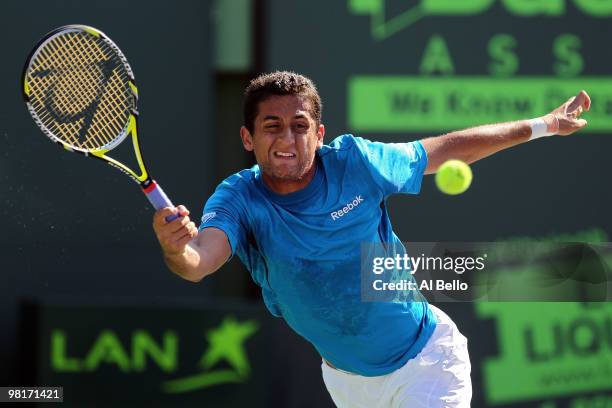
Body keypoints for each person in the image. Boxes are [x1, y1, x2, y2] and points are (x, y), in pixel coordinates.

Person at [152, 71, 590, 407]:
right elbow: (200, 259)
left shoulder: (356, 163)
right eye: (272, 126)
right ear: (248, 137)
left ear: (318, 134)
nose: (287, 139)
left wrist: (545, 125)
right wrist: (177, 246)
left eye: (300, 125)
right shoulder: (238, 198)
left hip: (428, 363)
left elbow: (451, 149)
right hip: (348, 383)